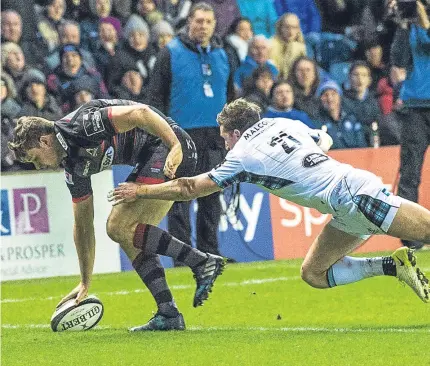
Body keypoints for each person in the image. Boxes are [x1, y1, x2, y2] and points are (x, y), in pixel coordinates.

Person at [109, 98, 430, 304]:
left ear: (235, 132)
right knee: (313, 274)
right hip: (345, 204)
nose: (224, 144)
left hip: (356, 196)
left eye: (223, 137)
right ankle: (392, 265)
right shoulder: (283, 123)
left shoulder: (244, 155)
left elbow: (189, 188)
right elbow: (324, 140)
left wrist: (141, 191)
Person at [8, 99, 226, 331]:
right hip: (152, 156)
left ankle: (201, 262)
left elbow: (141, 113)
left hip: (170, 146)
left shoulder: (82, 126)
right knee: (128, 235)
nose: (39, 166)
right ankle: (169, 312)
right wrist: (85, 282)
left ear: (44, 141)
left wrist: (175, 146)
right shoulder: (73, 167)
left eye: (34, 159)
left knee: (118, 226)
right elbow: (82, 226)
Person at [148, 2, 234, 257]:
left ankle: (211, 253)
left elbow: (230, 99)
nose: (203, 26)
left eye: (208, 22)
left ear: (215, 25)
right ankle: (183, 257)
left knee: (211, 199)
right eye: (199, 21)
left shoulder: (224, 54)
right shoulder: (170, 53)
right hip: (181, 138)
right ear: (189, 22)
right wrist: (163, 138)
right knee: (179, 200)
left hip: (215, 138)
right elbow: (155, 98)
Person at [390, 0, 430, 250]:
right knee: (410, 172)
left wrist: (424, 22)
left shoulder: (423, 25)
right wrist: (404, 25)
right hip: (415, 106)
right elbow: (399, 60)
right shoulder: (409, 27)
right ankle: (411, 236)